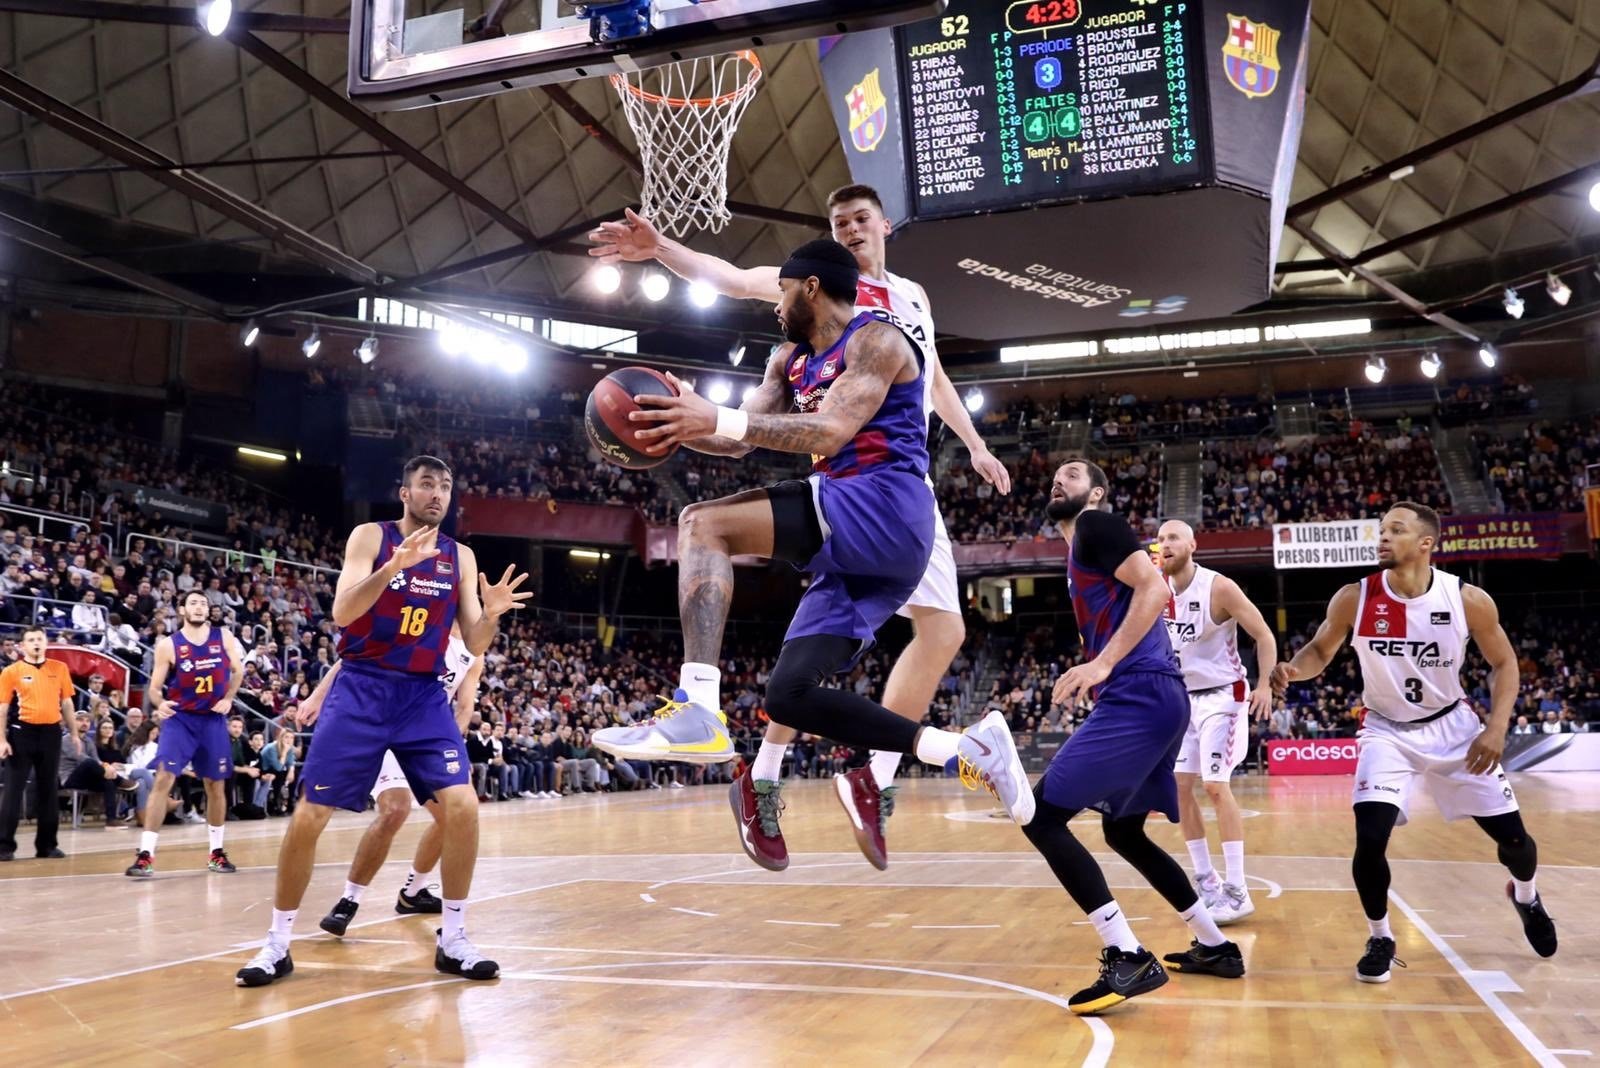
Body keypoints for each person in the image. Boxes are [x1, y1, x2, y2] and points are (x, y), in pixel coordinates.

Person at [591, 185, 1011, 870]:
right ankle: (933, 755)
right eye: (838, 220)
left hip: (886, 494)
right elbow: (726, 284)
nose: (849, 229)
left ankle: (729, 720)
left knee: (705, 524)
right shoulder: (790, 353)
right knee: (790, 691)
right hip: (846, 500)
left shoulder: (891, 319)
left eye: (859, 219)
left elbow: (902, 394)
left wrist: (974, 442)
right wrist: (681, 423)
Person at [234, 455, 530, 988]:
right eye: (426, 484)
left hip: (422, 696)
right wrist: (393, 568)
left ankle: (454, 938)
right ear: (404, 492)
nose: (437, 494)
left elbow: (476, 642)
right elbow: (343, 614)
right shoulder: (370, 537)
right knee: (310, 815)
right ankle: (276, 943)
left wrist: (490, 613)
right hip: (363, 686)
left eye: (445, 485)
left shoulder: (459, 556)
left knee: (462, 806)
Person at [1271, 502, 1557, 983]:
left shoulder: (1467, 600)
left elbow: (1505, 664)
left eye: (1395, 530)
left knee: (1514, 842)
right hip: (1385, 730)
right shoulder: (1354, 597)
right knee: (1370, 839)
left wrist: (1496, 727)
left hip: (1454, 729)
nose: (1382, 537)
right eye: (1381, 530)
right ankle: (1381, 935)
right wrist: (1295, 669)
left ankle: (1526, 895)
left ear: (1426, 543)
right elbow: (1321, 649)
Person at [1016, 461, 1244, 1016]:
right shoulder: (1080, 550)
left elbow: (1153, 587)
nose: (1057, 479)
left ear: (1095, 491)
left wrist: (1102, 663)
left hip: (1140, 693)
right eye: (1056, 474)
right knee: (1124, 833)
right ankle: (1216, 946)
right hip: (1156, 696)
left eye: (1072, 474)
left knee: (1041, 816)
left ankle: (1128, 953)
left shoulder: (1097, 525)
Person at [313, 622, 485, 936]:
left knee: (455, 816)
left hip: (427, 734)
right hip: (386, 725)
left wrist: (455, 751)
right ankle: (348, 900)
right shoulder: (424, 623)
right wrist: (316, 697)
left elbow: (464, 707)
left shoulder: (473, 650)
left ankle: (412, 893)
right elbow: (350, 659)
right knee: (395, 809)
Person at [1155, 519, 1279, 924]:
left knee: (1214, 784)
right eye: (1159, 539)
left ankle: (1238, 890)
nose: (1164, 544)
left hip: (1224, 695)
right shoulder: (1156, 590)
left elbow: (1264, 635)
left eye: (1172, 537)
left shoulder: (1219, 587)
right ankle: (1206, 880)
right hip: (1181, 699)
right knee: (1178, 787)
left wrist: (1264, 685)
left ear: (1192, 544)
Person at [124, 590, 246, 877]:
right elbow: (154, 688)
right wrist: (159, 702)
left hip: (213, 720)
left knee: (215, 785)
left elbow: (238, 672)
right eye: (193, 603)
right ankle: (145, 854)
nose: (200, 607)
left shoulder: (224, 637)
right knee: (163, 777)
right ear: (182, 610)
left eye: (203, 603)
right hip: (181, 720)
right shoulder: (169, 645)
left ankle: (216, 852)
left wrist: (229, 697)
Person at [0, 626, 82, 861]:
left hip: (51, 733)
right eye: (31, 640)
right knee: (13, 790)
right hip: (21, 733)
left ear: (46, 643)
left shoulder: (60, 668)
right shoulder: (11, 671)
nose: (36, 643)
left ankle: (47, 846)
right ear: (22, 645)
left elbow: (67, 704)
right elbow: (2, 708)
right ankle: (4, 846)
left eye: (39, 639)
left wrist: (74, 734)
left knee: (48, 789)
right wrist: (2, 739)